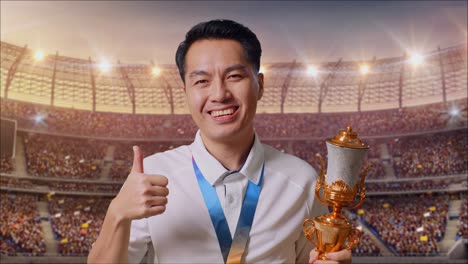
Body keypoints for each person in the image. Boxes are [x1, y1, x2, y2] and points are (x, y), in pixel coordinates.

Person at [88, 19, 351, 264]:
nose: (219, 94)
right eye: (202, 81)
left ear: (259, 84)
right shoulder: (152, 176)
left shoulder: (302, 180)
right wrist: (117, 215)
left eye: (234, 76)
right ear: (186, 93)